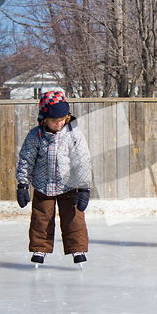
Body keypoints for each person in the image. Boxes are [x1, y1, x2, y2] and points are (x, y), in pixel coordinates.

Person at [16, 91, 92, 265]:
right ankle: (39, 249)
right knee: (41, 219)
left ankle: (77, 248)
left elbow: (82, 160)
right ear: (44, 120)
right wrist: (22, 184)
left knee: (74, 218)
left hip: (69, 186)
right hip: (43, 186)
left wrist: (84, 187)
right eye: (54, 121)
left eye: (62, 120)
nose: (59, 124)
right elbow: (26, 159)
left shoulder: (74, 134)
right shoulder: (35, 135)